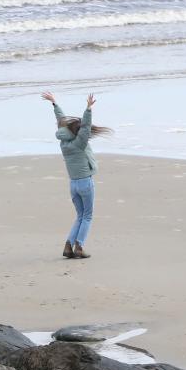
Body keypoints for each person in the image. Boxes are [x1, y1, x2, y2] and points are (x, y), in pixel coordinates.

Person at [41, 91, 111, 259]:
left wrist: (54, 103)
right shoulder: (79, 143)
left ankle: (68, 246)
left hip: (73, 185)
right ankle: (79, 246)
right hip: (86, 183)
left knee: (80, 216)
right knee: (87, 216)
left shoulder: (64, 143)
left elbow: (61, 120)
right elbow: (86, 127)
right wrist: (88, 109)